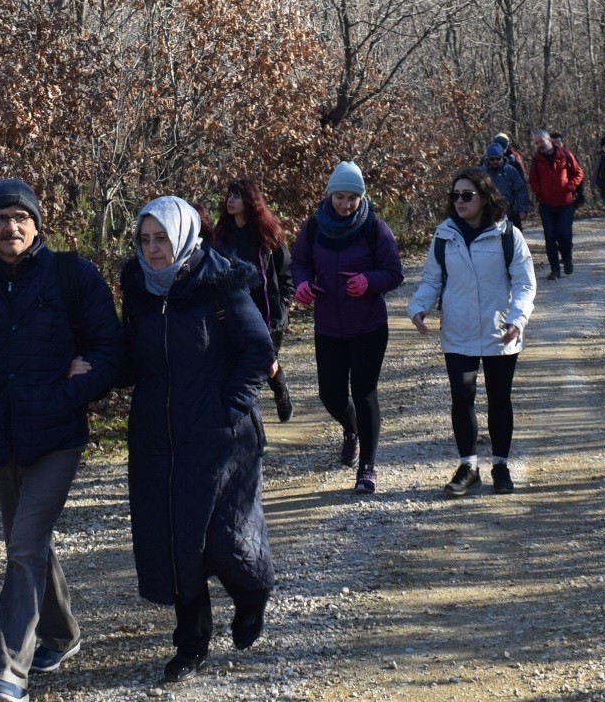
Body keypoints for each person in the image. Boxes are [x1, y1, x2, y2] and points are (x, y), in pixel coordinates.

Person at [0, 179, 124, 702]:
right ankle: (62, 633)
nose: (11, 227)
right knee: (27, 543)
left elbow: (112, 350)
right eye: (0, 218)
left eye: (20, 217)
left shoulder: (73, 276)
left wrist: (73, 390)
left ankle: (8, 673)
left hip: (57, 435)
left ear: (37, 224)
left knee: (25, 543)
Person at [118, 196, 276, 685]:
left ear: (184, 237)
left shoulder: (219, 280)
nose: (153, 249)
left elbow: (258, 349)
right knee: (176, 541)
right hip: (158, 438)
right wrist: (89, 366)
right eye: (145, 240)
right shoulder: (137, 286)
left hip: (220, 436)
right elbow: (132, 356)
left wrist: (229, 408)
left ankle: (251, 595)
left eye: (161, 239)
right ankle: (191, 642)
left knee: (223, 537)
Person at [407, 166, 536, 496]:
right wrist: (418, 307)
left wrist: (517, 319)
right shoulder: (444, 235)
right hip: (458, 330)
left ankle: (501, 466)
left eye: (467, 195)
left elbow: (525, 284)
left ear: (485, 197)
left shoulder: (508, 235)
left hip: (500, 330)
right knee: (462, 397)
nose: (460, 201)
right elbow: (432, 280)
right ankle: (468, 467)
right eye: (455, 195)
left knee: (499, 399)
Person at [290, 161, 404, 494]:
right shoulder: (314, 227)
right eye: (339, 197)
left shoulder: (375, 228)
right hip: (328, 326)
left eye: (352, 198)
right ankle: (351, 430)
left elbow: (394, 272)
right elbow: (299, 262)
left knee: (364, 394)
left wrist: (368, 281)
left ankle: (367, 467)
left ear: (361, 197)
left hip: (368, 326)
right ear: (329, 195)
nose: (345, 204)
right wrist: (302, 285)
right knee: (331, 395)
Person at [214, 179, 296, 423]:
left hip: (267, 310)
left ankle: (280, 392)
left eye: (237, 196)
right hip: (235, 310)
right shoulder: (223, 234)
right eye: (229, 195)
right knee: (242, 362)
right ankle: (247, 414)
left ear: (250, 201)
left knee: (266, 361)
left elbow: (285, 271)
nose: (231, 200)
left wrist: (284, 301)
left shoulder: (268, 233)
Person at [527, 129, 584, 280]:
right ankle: (555, 269)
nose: (539, 145)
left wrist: (570, 186)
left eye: (541, 141)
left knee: (564, 234)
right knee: (550, 237)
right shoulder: (536, 160)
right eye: (536, 143)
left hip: (565, 202)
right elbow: (532, 180)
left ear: (549, 140)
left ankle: (567, 257)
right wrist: (539, 191)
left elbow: (579, 173)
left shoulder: (565, 154)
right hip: (546, 204)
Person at [482, 143, 529, 232]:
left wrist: (522, 209)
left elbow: (520, 190)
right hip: (489, 212)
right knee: (491, 237)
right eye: (492, 159)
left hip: (509, 212)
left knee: (510, 235)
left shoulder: (511, 171)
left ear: (502, 157)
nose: (495, 161)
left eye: (498, 158)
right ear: (487, 158)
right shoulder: (482, 173)